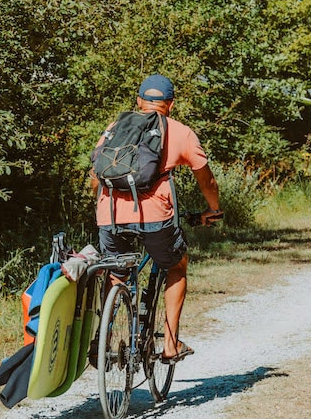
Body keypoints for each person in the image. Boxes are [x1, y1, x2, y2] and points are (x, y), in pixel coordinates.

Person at [90, 74, 222, 363]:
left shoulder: (116, 127)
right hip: (154, 217)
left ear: (139, 101)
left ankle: (104, 339)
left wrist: (105, 204)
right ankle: (171, 344)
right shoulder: (180, 132)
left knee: (116, 272)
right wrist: (213, 209)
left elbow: (94, 174)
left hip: (108, 214)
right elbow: (206, 179)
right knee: (177, 264)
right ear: (170, 104)